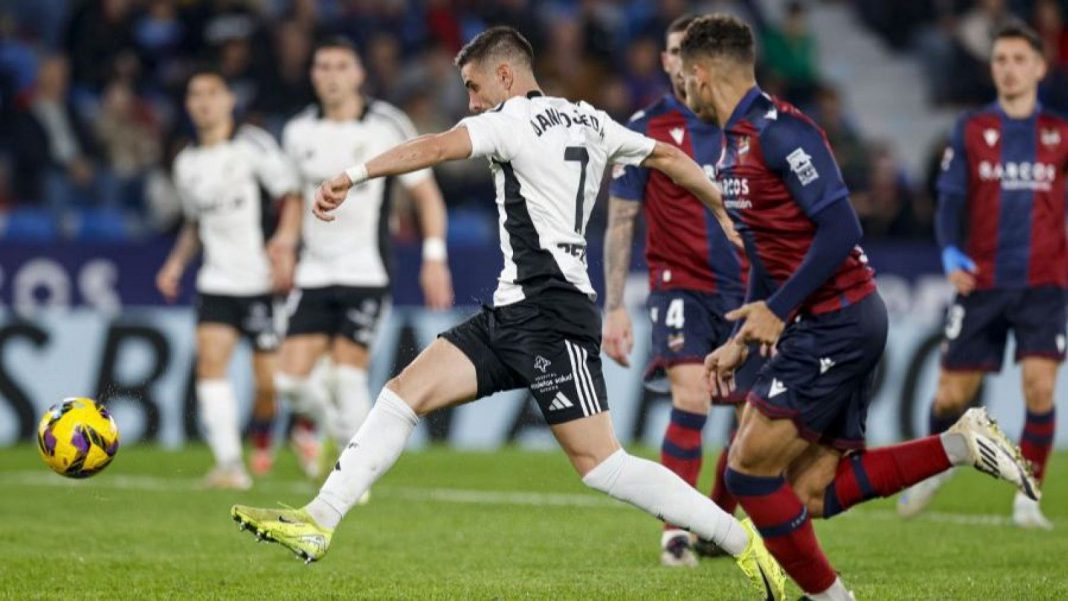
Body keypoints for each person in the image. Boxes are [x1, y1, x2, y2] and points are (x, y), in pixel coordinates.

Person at [232, 26, 787, 599]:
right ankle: (320, 519)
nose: (472, 102)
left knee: (603, 465)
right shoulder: (590, 119)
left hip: (553, 315)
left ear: (505, 75)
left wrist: (353, 175)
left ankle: (741, 540)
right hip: (511, 310)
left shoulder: (509, 120)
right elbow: (666, 156)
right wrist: (722, 209)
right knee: (402, 393)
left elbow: (434, 147)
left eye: (474, 87)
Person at [682, 14, 1040, 600]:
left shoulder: (783, 132)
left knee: (748, 470)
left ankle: (832, 598)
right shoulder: (733, 147)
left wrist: (780, 310)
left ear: (701, 74)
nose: (682, 91)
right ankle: (959, 444)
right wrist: (743, 336)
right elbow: (769, 256)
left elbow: (842, 225)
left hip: (837, 321)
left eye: (682, 79)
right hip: (826, 323)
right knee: (811, 492)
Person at [898, 21, 1066, 530]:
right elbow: (950, 201)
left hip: (1044, 284)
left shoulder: (1059, 134)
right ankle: (934, 467)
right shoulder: (972, 129)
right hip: (983, 282)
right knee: (951, 395)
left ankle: (1028, 500)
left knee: (1040, 388)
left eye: (1019, 60)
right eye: (1000, 60)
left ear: (1040, 68)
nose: (1009, 69)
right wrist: (951, 253)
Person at [603, 14, 756, 567]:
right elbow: (622, 219)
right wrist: (614, 306)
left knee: (750, 422)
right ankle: (675, 532)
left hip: (746, 292)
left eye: (686, 52)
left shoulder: (750, 125)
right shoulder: (643, 129)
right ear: (666, 60)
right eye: (670, 51)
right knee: (692, 398)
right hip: (679, 289)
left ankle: (717, 525)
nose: (677, 62)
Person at [268, 37, 454, 480]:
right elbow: (295, 198)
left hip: (366, 270)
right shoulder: (297, 131)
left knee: (347, 378)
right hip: (314, 271)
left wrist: (434, 256)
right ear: (313, 75)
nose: (331, 75)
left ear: (359, 74)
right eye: (323, 66)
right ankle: (329, 432)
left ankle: (352, 478)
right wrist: (284, 243)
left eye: (341, 66)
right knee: (290, 383)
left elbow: (426, 194)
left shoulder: (386, 124)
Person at [156, 68, 300, 489]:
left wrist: (285, 244)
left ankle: (263, 432)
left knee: (269, 386)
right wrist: (175, 264)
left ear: (228, 100)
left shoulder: (253, 145)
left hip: (260, 281)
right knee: (210, 366)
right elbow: (195, 223)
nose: (204, 102)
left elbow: (291, 195)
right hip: (216, 281)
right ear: (188, 105)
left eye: (212, 93)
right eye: (195, 94)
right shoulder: (186, 162)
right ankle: (229, 464)